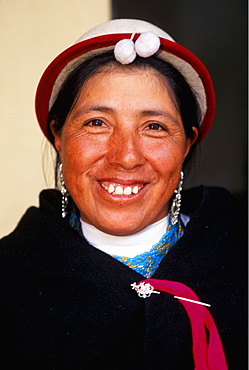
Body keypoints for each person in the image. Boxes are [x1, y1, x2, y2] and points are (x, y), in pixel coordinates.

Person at [0, 19, 246, 369]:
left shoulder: (239, 261)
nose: (126, 156)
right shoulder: (10, 278)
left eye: (155, 127)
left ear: (187, 143)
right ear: (59, 135)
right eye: (97, 123)